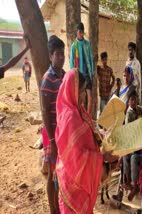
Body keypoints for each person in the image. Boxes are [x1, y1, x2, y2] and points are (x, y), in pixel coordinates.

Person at [55, 69, 102, 213]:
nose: (83, 96)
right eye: (81, 91)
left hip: (77, 176)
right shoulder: (70, 117)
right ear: (72, 89)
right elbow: (76, 157)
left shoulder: (77, 110)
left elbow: (89, 132)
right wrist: (101, 157)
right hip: (72, 180)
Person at [40, 35, 66, 214]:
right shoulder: (48, 79)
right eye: (58, 54)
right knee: (51, 173)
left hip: (63, 132)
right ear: (50, 56)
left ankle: (60, 204)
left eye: (63, 54)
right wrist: (51, 139)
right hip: (51, 133)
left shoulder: (64, 76)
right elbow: (44, 113)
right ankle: (52, 209)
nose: (61, 57)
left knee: (61, 170)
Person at [123, 90, 142, 201]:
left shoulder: (141, 110)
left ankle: (135, 185)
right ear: (128, 102)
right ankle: (128, 181)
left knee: (134, 157)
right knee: (126, 156)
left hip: (140, 144)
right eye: (131, 99)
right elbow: (129, 130)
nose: (134, 101)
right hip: (132, 142)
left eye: (135, 99)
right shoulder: (129, 113)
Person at [70, 22, 94, 115]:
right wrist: (73, 76)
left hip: (87, 74)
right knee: (81, 98)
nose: (81, 33)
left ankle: (88, 117)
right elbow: (72, 62)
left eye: (82, 32)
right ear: (76, 32)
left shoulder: (87, 44)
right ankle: (81, 117)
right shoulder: (74, 46)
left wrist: (91, 72)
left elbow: (90, 59)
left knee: (90, 97)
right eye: (79, 32)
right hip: (78, 75)